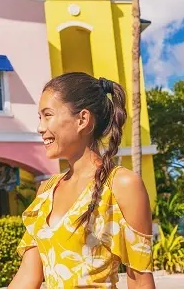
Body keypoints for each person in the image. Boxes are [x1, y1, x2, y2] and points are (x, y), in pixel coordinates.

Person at [9, 72, 156, 288]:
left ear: (82, 120)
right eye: (40, 118)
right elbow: (27, 278)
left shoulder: (121, 185)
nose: (40, 127)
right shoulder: (46, 191)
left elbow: (141, 282)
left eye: (47, 115)